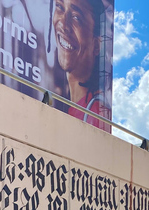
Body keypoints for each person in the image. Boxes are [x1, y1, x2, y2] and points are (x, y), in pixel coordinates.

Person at [52, 0, 110, 130]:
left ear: (96, 45)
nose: (63, 24)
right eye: (60, 7)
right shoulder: (70, 106)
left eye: (76, 17)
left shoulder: (96, 113)